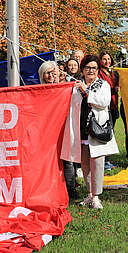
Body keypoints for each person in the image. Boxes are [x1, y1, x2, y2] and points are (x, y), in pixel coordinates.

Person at [73, 55, 120, 209]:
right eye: (87, 67)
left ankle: (97, 197)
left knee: (97, 164)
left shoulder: (103, 85)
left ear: (98, 70)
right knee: (85, 164)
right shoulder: (75, 85)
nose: (90, 70)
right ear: (83, 69)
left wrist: (86, 91)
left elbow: (104, 102)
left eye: (94, 68)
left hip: (97, 129)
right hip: (80, 129)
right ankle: (90, 194)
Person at [38, 60, 79, 203]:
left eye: (53, 72)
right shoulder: (37, 91)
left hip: (63, 127)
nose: (51, 75)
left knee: (67, 160)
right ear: (42, 75)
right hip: (45, 131)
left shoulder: (64, 88)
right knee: (48, 160)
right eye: (47, 73)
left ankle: (71, 188)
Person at [98, 51, 121, 125]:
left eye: (108, 59)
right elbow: (101, 88)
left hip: (113, 105)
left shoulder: (111, 72)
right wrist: (113, 89)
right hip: (105, 107)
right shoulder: (99, 73)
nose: (107, 61)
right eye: (104, 59)